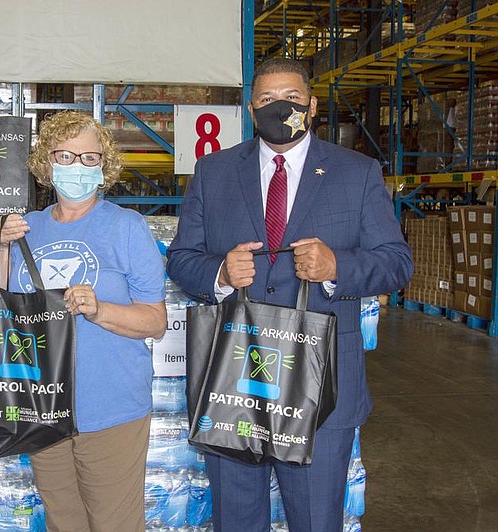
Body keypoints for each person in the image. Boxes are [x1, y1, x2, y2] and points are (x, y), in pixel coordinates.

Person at [167, 57, 413, 532]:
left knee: (316, 521)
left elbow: (397, 262)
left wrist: (338, 267)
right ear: (251, 107)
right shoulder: (214, 171)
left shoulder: (357, 172)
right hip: (235, 382)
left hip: (323, 389)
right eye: (267, 100)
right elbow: (182, 258)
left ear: (313, 106)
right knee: (236, 520)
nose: (279, 108)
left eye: (292, 99)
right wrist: (218, 271)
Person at [0, 111, 166, 532]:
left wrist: (99, 310)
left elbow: (155, 321)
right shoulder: (24, 230)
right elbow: (1, 312)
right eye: (66, 155)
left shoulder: (128, 228)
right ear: (46, 161)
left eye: (89, 157)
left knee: (115, 524)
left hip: (110, 407)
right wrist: (0, 248)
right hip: (43, 406)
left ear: (104, 165)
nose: (77, 166)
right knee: (63, 522)